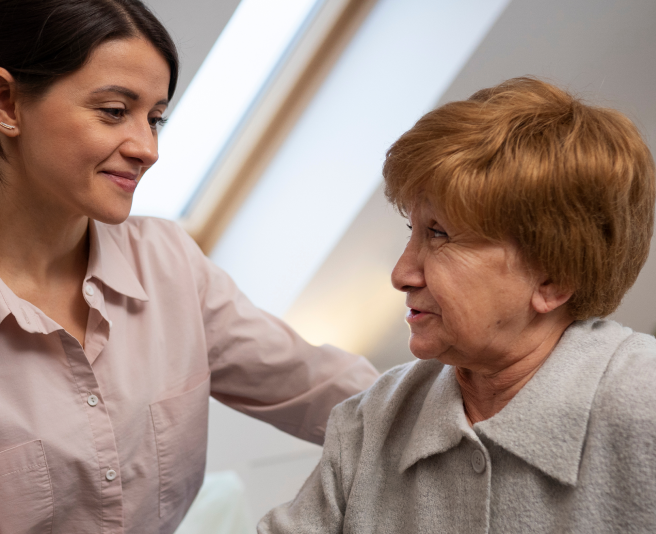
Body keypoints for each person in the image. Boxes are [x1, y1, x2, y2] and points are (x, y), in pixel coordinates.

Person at [0, 1, 379, 532]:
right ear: (4, 102)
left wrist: (458, 389)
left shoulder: (168, 261)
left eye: (155, 119)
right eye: (113, 111)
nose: (148, 148)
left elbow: (325, 390)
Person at [259, 77, 656, 533]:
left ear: (553, 279)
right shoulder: (373, 418)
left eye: (440, 233)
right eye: (413, 228)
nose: (401, 274)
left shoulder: (643, 406)